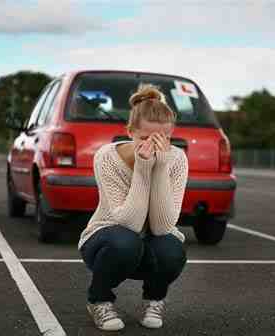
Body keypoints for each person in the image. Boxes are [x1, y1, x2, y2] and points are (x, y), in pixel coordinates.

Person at [78, 84, 188, 331]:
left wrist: (159, 168)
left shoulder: (177, 159)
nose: (156, 145)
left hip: (151, 242)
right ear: (129, 132)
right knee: (126, 241)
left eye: (164, 139)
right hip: (107, 240)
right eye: (146, 138)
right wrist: (142, 167)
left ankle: (154, 299)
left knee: (172, 248)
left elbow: (162, 227)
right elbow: (128, 224)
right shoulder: (107, 157)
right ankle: (99, 300)